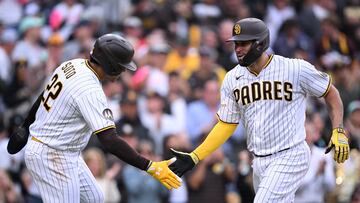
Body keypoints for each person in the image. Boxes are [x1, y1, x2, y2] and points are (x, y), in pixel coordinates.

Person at [169, 18, 349, 203]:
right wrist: (196, 156)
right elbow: (226, 125)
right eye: (235, 44)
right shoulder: (232, 78)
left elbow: (330, 92)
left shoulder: (294, 68)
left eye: (243, 43)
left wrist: (338, 129)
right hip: (259, 160)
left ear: (260, 43)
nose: (237, 49)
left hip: (290, 154)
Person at [6, 33, 181, 202]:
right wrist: (150, 166)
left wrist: (25, 125)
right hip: (51, 154)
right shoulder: (89, 89)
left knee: (94, 198)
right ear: (111, 65)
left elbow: (44, 95)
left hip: (63, 150)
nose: (123, 71)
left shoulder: (74, 64)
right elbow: (110, 141)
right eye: (122, 66)